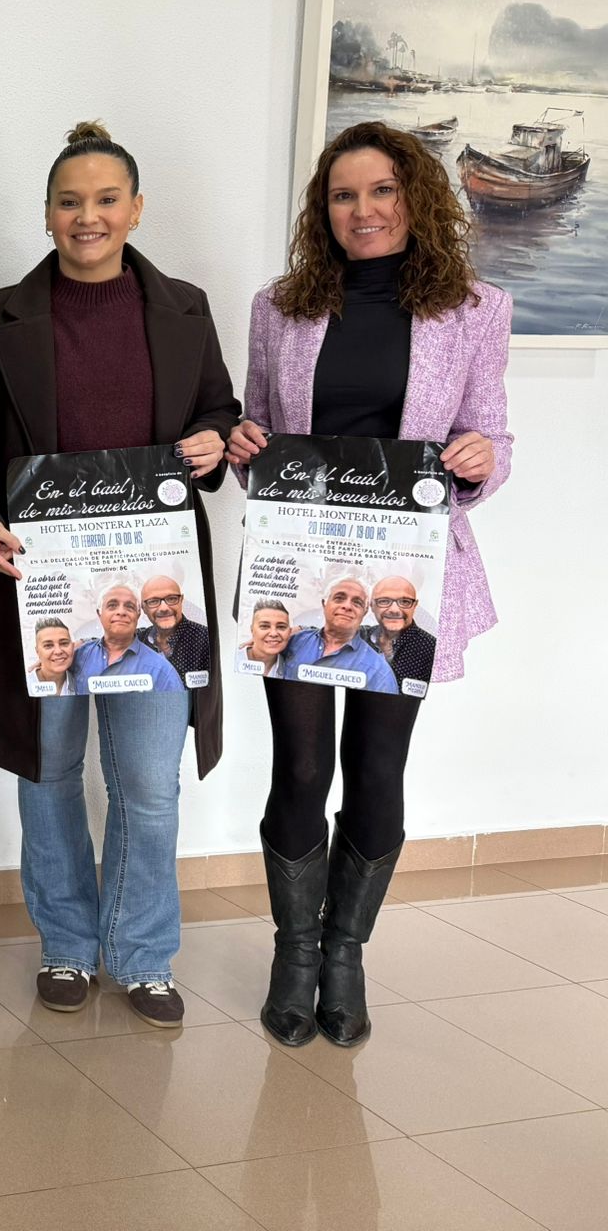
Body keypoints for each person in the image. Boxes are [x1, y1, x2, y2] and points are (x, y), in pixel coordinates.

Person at [0, 121, 236, 1028]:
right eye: (71, 201)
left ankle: (143, 954)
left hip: (158, 587)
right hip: (44, 588)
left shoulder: (187, 307)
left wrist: (216, 444)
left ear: (136, 210)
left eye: (107, 200)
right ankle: (66, 944)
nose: (88, 216)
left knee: (149, 779)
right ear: (48, 213)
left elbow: (218, 415)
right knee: (50, 767)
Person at [227, 120, 510, 1049]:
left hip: (412, 579)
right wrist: (243, 446)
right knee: (301, 765)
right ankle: (293, 956)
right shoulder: (281, 307)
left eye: (382, 191)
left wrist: (475, 458)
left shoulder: (475, 309)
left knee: (376, 767)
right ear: (324, 209)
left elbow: (491, 440)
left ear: (415, 198)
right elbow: (258, 437)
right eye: (344, 195)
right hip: (299, 571)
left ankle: (345, 953)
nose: (364, 211)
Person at [282, 580, 399, 694]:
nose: (347, 606)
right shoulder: (294, 642)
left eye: (357, 602)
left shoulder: (378, 673)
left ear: (365, 612)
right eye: (339, 598)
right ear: (324, 604)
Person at [73, 583, 186, 694]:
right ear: (99, 613)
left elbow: (175, 710)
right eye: (112, 605)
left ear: (138, 615)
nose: (121, 612)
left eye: (129, 607)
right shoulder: (78, 656)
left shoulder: (161, 671)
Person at [361, 576, 435, 691]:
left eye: (405, 602)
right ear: (371, 606)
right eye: (384, 601)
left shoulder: (433, 649)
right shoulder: (359, 637)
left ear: (415, 606)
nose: (394, 610)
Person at [139, 573, 208, 683]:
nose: (164, 608)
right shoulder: (136, 640)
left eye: (171, 599)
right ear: (143, 608)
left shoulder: (206, 639)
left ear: (181, 600)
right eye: (153, 601)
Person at [28, 617, 80, 697]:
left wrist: (83, 641)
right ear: (37, 651)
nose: (58, 651)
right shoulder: (26, 685)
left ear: (73, 647)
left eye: (64, 643)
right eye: (48, 645)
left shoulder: (81, 684)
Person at [242, 600, 294, 677]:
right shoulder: (230, 659)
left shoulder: (291, 671)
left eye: (281, 627)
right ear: (252, 630)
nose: (273, 634)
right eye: (264, 626)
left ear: (289, 632)